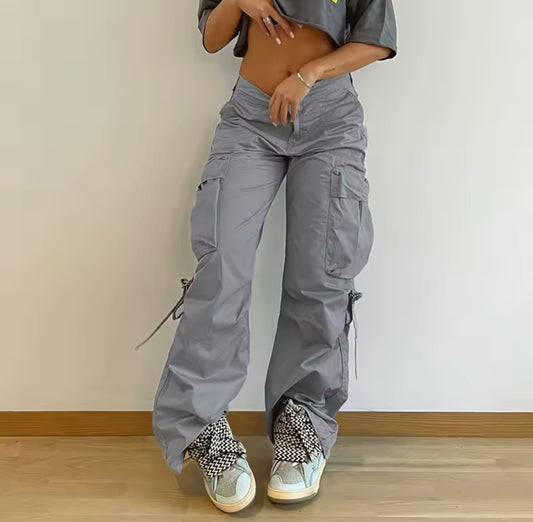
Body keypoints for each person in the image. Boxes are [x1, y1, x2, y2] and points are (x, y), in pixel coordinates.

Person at [151, 0, 397, 513]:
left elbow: (376, 38)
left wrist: (309, 74)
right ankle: (203, 428)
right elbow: (212, 37)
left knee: (322, 276)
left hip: (329, 119)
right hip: (250, 116)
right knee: (221, 269)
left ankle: (301, 422)